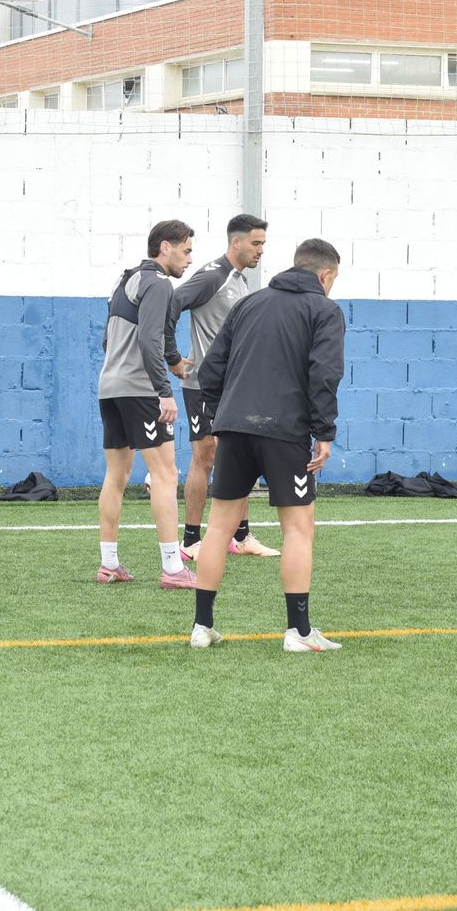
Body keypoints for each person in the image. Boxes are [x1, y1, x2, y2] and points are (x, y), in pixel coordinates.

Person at [188, 238, 346, 652]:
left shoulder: (249, 303)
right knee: (298, 528)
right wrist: (324, 432)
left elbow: (210, 370)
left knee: (219, 526)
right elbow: (324, 374)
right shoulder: (325, 309)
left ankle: (201, 627)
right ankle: (298, 632)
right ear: (325, 275)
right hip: (285, 432)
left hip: (234, 428)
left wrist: (226, 413)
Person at [172, 213, 280, 560]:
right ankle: (190, 541)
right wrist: (170, 355)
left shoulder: (240, 280)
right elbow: (172, 303)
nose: (261, 250)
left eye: (263, 243)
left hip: (234, 387)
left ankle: (242, 537)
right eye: (256, 243)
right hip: (203, 384)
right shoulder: (212, 276)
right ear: (236, 242)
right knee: (204, 456)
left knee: (238, 455)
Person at [96, 220, 197, 589]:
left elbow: (113, 342)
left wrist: (173, 362)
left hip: (110, 386)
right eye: (186, 250)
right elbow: (151, 339)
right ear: (165, 247)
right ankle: (173, 569)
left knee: (117, 476)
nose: (189, 259)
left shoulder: (127, 280)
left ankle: (109, 565)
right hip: (141, 391)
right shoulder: (158, 283)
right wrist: (163, 390)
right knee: (166, 475)